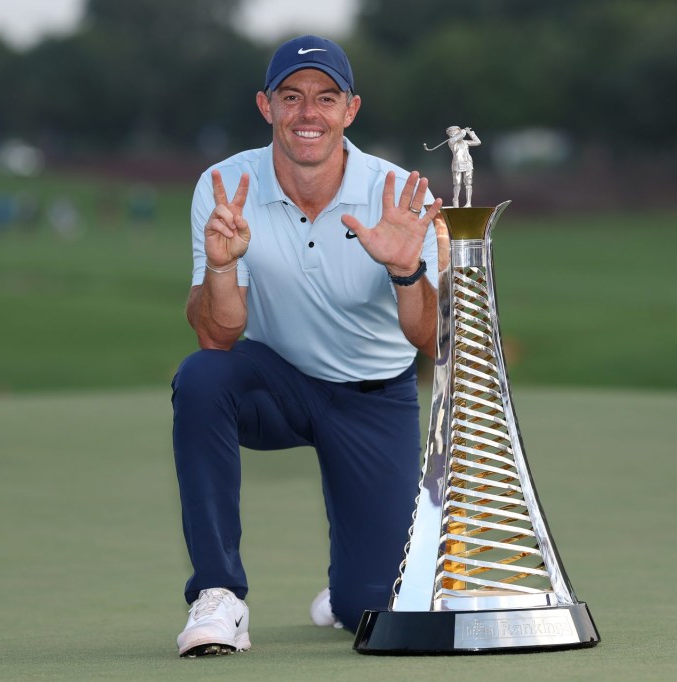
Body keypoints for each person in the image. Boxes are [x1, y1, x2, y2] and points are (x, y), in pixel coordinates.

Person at [170, 35, 444, 658]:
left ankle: (352, 584)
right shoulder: (225, 185)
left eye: (326, 97)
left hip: (372, 397)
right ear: (265, 105)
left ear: (351, 109)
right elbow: (217, 335)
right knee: (202, 378)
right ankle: (218, 593)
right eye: (291, 97)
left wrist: (406, 271)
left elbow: (433, 339)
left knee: (368, 609)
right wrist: (222, 266)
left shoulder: (399, 194)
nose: (307, 113)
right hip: (277, 381)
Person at [445, 126, 481, 207]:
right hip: (457, 164)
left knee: (468, 183)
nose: (454, 132)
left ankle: (468, 203)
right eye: (452, 131)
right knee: (457, 183)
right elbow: (460, 135)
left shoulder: (465, 142)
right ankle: (455, 200)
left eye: (456, 130)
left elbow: (478, 142)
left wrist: (470, 133)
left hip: (468, 163)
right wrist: (463, 132)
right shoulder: (451, 141)